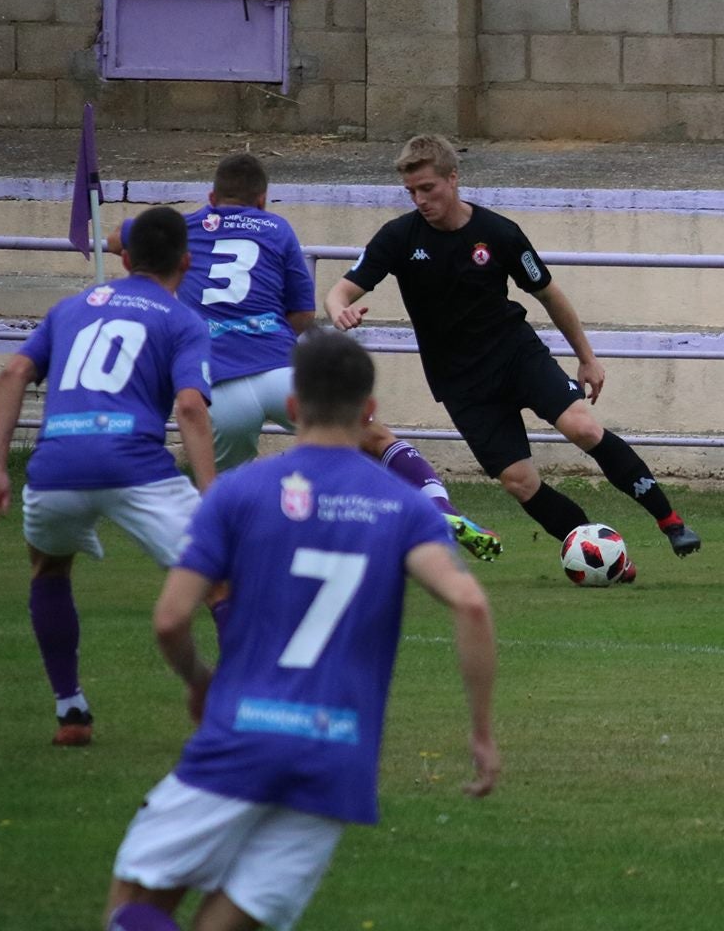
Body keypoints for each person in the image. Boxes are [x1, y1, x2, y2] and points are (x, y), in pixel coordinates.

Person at [104, 331, 499, 931]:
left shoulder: (238, 492)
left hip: (240, 736)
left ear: (291, 408)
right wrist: (480, 733)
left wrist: (196, 678)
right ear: (370, 412)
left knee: (134, 908)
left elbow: (170, 617)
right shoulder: (403, 506)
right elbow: (469, 604)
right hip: (337, 756)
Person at [325, 134, 701, 582]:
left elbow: (549, 294)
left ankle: (671, 521)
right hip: (461, 382)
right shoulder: (399, 237)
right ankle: (606, 559)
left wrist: (587, 358)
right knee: (519, 482)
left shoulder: (498, 233)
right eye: (412, 192)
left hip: (516, 356)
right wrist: (339, 310)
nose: (420, 200)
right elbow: (341, 290)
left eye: (428, 188)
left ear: (453, 178)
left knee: (582, 427)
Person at [107, 153, 502, 562]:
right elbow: (302, 316)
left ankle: (245, 565)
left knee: (227, 498)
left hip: (219, 388)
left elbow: (116, 239)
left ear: (211, 196)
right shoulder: (277, 228)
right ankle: (440, 508)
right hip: (281, 374)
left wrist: (144, 241)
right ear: (262, 200)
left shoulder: (184, 228)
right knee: (376, 438)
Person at [0, 207, 216, 746]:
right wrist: (212, 493)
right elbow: (192, 408)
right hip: (137, 465)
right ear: (187, 261)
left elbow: (13, 372)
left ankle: (71, 710)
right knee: (221, 579)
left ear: (125, 259)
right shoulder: (181, 319)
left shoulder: (68, 308)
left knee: (49, 569)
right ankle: (229, 698)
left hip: (57, 466)